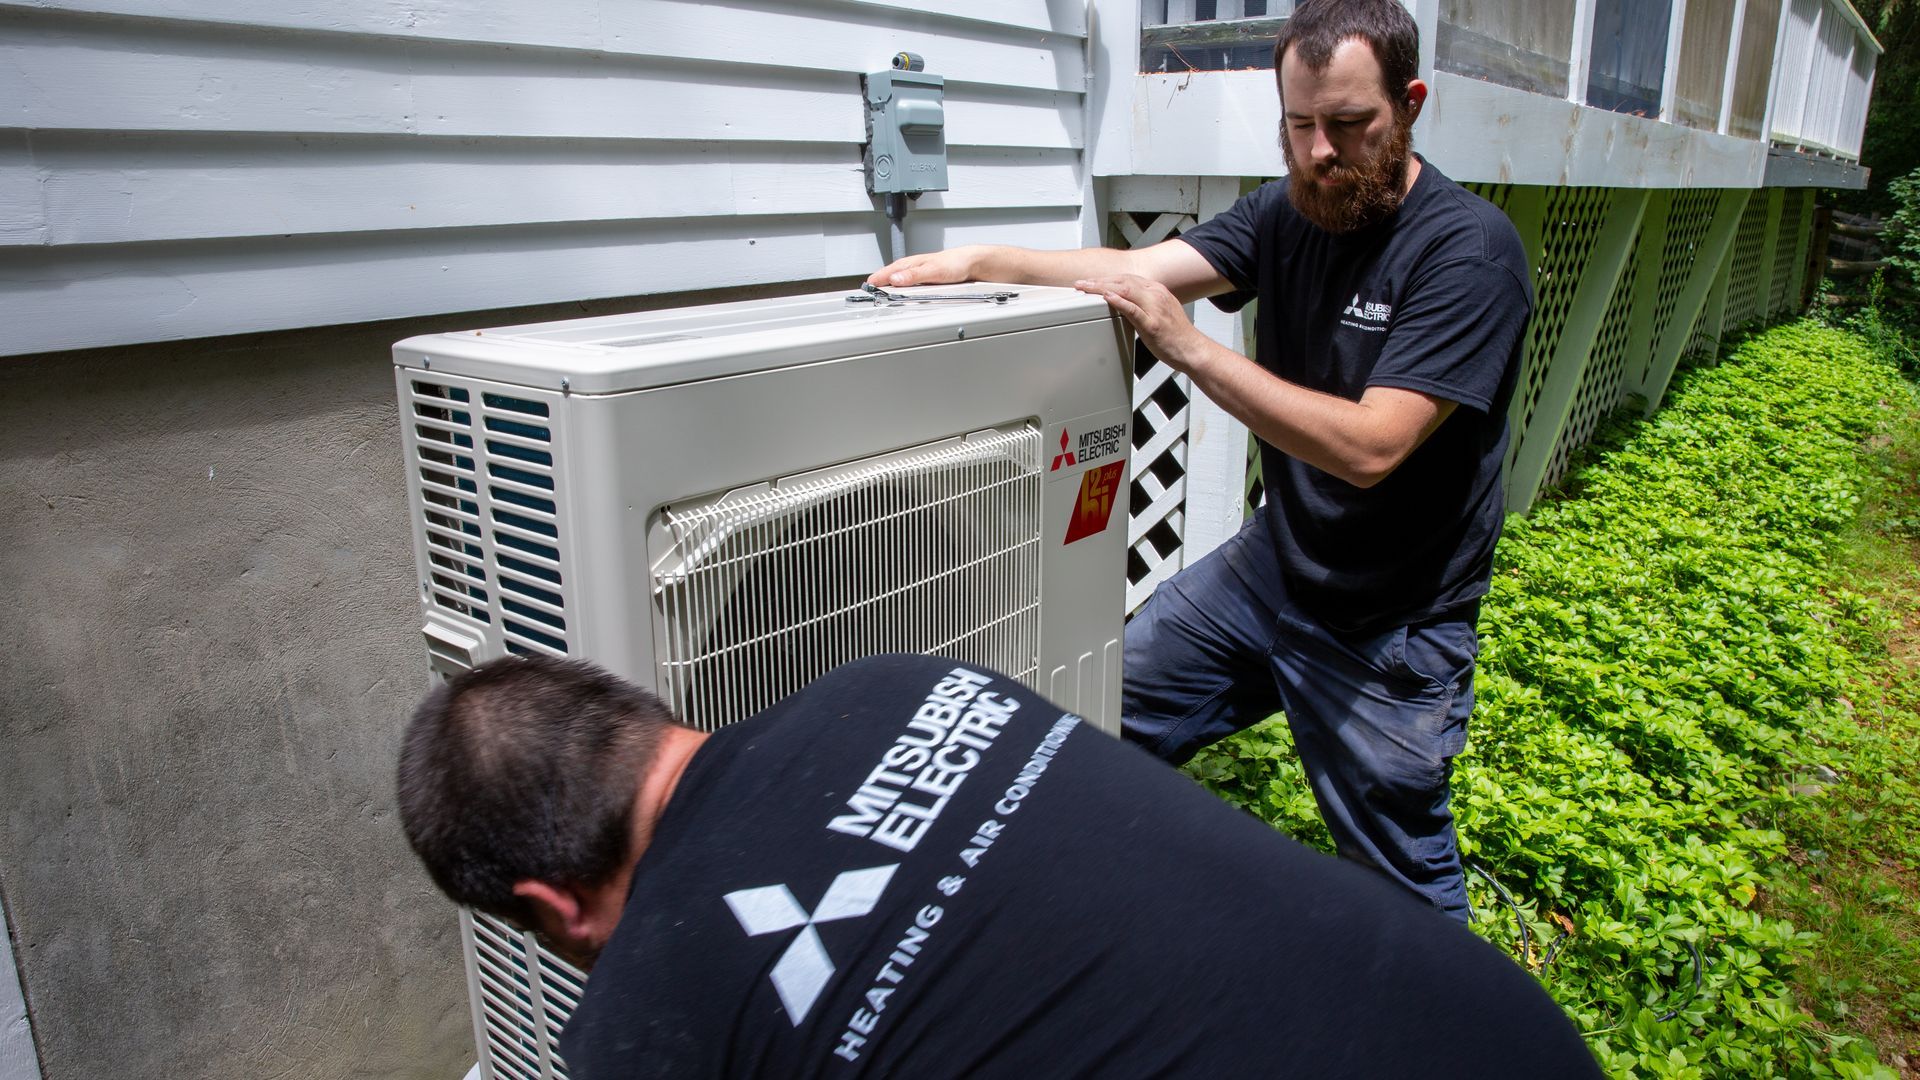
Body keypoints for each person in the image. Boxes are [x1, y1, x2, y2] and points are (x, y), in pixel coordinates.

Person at [867, 0, 1532, 922]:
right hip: (1272, 572)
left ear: (1410, 104)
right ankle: (1052, 913)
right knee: (1094, 720)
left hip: (1390, 624)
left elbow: (1371, 447)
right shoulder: (1286, 212)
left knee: (1404, 895)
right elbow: (1136, 271)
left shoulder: (1468, 254)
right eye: (1298, 125)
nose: (1318, 154)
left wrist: (1193, 350)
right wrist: (981, 259)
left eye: (1348, 125)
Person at [397, 652, 1601, 1078]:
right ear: (638, 715)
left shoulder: (641, 1028)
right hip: (1499, 1026)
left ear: (549, 905)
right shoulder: (901, 684)